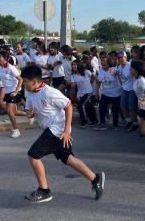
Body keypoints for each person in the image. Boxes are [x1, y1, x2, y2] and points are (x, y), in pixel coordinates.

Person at [21, 65, 105, 203]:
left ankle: (44, 190)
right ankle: (95, 178)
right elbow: (30, 111)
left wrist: (66, 131)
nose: (23, 83)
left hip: (57, 130)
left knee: (33, 155)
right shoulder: (30, 92)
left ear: (35, 81)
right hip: (51, 129)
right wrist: (29, 114)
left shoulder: (49, 92)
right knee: (68, 159)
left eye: (25, 81)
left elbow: (68, 105)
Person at [0, 51, 25, 138]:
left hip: (14, 91)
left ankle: (16, 130)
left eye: (0, 57)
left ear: (5, 58)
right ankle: (29, 114)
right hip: (7, 91)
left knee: (10, 111)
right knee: (13, 112)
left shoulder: (11, 68)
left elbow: (20, 80)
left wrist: (16, 91)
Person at [96, 56, 122, 130]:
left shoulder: (114, 69)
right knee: (102, 108)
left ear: (109, 62)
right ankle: (102, 124)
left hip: (116, 94)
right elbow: (99, 82)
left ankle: (115, 124)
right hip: (105, 93)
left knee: (115, 110)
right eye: (101, 61)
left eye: (104, 61)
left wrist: (115, 72)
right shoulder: (101, 70)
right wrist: (97, 93)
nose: (102, 62)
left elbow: (117, 73)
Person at [69, 60, 97, 127]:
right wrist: (73, 96)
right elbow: (73, 86)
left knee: (81, 106)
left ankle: (84, 122)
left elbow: (94, 76)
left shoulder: (86, 72)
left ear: (79, 65)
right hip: (81, 94)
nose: (73, 66)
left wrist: (91, 81)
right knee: (88, 107)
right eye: (72, 65)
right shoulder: (73, 75)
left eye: (75, 64)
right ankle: (94, 121)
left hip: (89, 92)